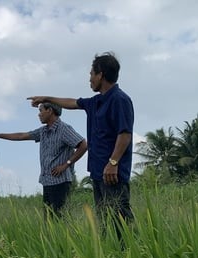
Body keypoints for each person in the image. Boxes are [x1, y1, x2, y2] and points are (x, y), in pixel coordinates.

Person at [27, 52, 134, 238]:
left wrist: (113, 162)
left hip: (113, 175)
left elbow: (125, 134)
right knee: (105, 223)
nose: (90, 79)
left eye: (91, 74)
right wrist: (46, 98)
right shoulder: (96, 102)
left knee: (120, 223)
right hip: (98, 173)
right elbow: (72, 103)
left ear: (100, 74)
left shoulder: (120, 100)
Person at [0, 102, 87, 218]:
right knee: (49, 220)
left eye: (41, 110)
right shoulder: (43, 131)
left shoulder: (64, 129)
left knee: (60, 218)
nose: (39, 114)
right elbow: (21, 136)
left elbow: (83, 145)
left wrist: (66, 164)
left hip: (61, 182)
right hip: (47, 181)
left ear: (50, 111)